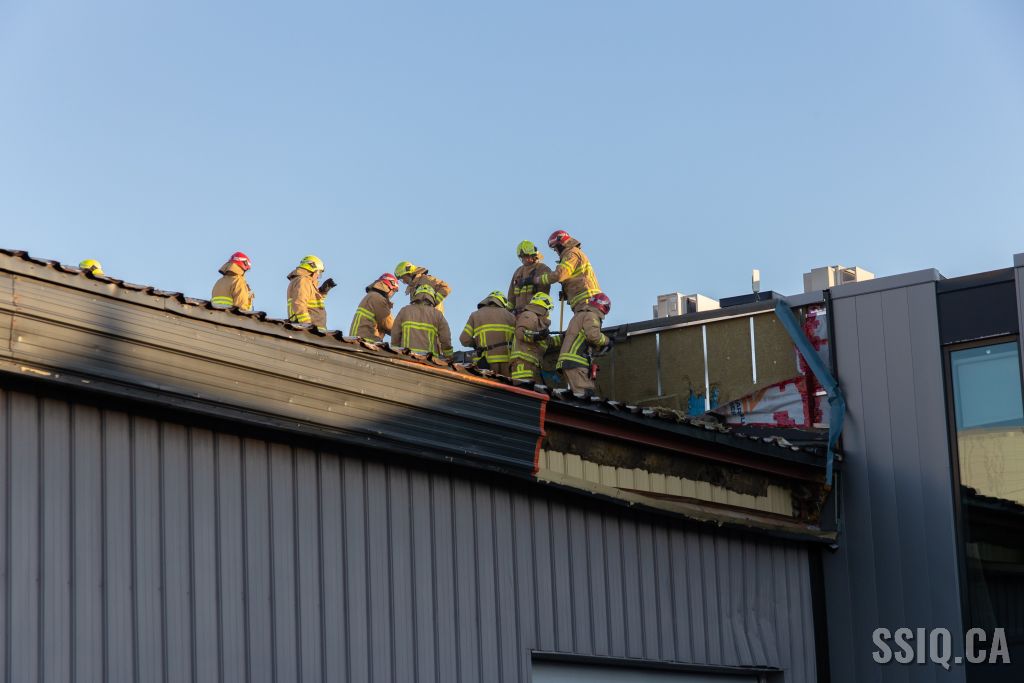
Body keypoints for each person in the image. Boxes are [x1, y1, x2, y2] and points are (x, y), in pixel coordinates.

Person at [556, 292, 612, 396]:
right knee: (585, 395)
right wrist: (608, 341)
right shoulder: (592, 315)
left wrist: (598, 347)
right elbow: (593, 336)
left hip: (567, 361)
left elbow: (583, 338)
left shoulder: (579, 315)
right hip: (576, 362)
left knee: (576, 396)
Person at [537, 229, 601, 313]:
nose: (555, 251)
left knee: (582, 321)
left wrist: (537, 280)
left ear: (560, 244)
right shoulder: (573, 253)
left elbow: (559, 275)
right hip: (584, 300)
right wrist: (566, 290)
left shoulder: (571, 254)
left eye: (555, 247)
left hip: (586, 299)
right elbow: (574, 276)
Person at [459, 291, 515, 376]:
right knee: (506, 384)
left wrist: (477, 344)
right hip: (507, 362)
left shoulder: (475, 315)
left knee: (487, 385)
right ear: (502, 302)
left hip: (486, 362)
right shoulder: (511, 316)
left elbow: (464, 339)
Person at [511, 292, 562, 384]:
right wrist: (537, 335)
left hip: (532, 365)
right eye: (549, 309)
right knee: (523, 391)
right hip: (523, 363)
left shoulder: (539, 323)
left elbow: (548, 342)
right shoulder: (530, 315)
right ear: (546, 306)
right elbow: (520, 332)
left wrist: (564, 337)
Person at [390, 284, 454, 358]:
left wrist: (396, 352)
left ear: (416, 295)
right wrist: (448, 356)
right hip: (429, 359)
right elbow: (445, 338)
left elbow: (395, 334)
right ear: (432, 298)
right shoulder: (437, 314)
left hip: (406, 357)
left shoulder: (404, 310)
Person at [286, 255, 336, 328]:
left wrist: (322, 292)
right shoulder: (303, 281)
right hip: (308, 329)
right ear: (312, 269)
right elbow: (299, 303)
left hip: (313, 329)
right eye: (319, 272)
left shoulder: (305, 282)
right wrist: (306, 324)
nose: (318, 276)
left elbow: (313, 304)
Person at [349, 273, 399, 341]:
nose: (392, 294)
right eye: (393, 290)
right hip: (367, 341)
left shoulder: (371, 296)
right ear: (388, 286)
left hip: (358, 339)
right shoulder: (378, 298)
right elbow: (389, 325)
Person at [507, 240, 551, 313]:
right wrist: (508, 313)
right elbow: (511, 297)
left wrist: (533, 281)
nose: (524, 259)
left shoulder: (542, 268)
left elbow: (545, 288)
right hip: (518, 313)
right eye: (522, 257)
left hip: (535, 312)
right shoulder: (518, 272)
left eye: (526, 256)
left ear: (533, 255)